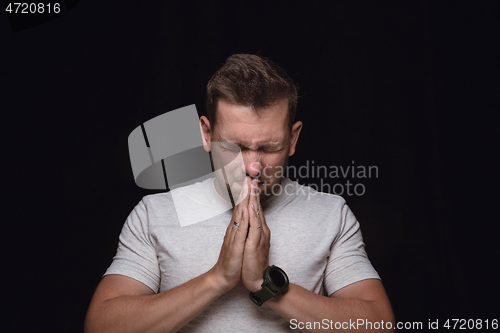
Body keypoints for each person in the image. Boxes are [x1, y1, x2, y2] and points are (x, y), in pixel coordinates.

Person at [84, 54, 395, 332]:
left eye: (269, 148)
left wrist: (266, 284)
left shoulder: (330, 214)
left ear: (292, 139)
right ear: (206, 134)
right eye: (234, 147)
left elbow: (379, 325)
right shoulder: (155, 213)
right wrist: (218, 278)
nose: (252, 166)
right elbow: (100, 326)